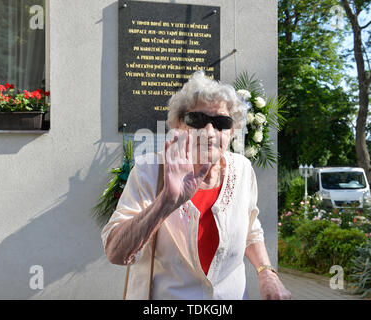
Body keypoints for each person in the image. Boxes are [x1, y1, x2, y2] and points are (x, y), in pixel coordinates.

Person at [102, 71, 291, 300]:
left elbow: (251, 229)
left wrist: (266, 274)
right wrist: (166, 202)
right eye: (198, 121)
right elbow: (116, 253)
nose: (210, 132)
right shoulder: (149, 171)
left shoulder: (242, 170)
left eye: (221, 123)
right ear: (180, 125)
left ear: (232, 132)